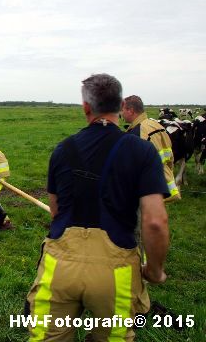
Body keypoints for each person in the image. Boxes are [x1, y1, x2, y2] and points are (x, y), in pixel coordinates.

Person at [26, 74, 169, 341]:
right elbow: (155, 221)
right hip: (117, 271)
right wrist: (155, 271)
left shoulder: (62, 149)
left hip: (59, 264)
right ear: (120, 106)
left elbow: (55, 210)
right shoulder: (142, 151)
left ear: (86, 107)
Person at [122, 95, 180, 202]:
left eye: (122, 110)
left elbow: (133, 166)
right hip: (163, 185)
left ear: (130, 110)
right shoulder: (157, 126)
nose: (121, 114)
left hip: (146, 190)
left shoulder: (137, 132)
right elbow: (170, 157)